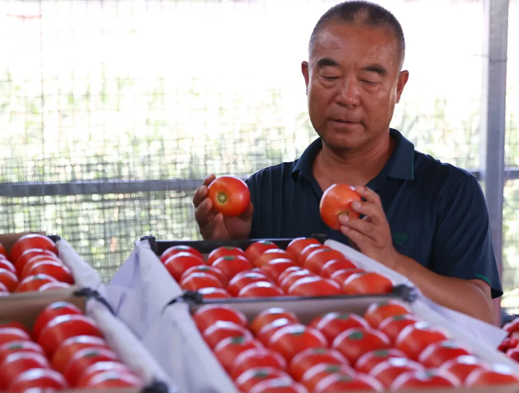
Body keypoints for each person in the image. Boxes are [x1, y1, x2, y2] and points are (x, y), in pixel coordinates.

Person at [192, 0, 501, 325]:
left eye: (369, 81)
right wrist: (224, 248)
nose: (347, 96)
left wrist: (391, 261)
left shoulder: (450, 191)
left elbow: (482, 315)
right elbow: (227, 317)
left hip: (408, 369)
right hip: (291, 370)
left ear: (399, 86)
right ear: (307, 76)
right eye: (330, 75)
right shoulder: (261, 193)